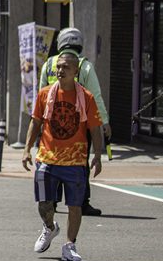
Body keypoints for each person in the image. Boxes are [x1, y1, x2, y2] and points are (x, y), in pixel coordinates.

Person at [22, 49, 104, 261]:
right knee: (44, 204)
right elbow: (36, 122)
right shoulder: (45, 94)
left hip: (75, 162)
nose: (60, 70)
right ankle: (49, 227)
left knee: (75, 206)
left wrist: (97, 155)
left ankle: (69, 246)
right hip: (46, 158)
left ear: (76, 71)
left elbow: (95, 128)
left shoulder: (86, 97)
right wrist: (26, 149)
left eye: (65, 67)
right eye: (58, 66)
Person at [38, 26, 110, 216]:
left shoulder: (49, 64)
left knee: (51, 163)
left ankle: (51, 202)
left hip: (52, 126)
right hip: (78, 126)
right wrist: (104, 121)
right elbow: (95, 96)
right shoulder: (84, 65)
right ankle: (81, 202)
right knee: (79, 164)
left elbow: (41, 94)